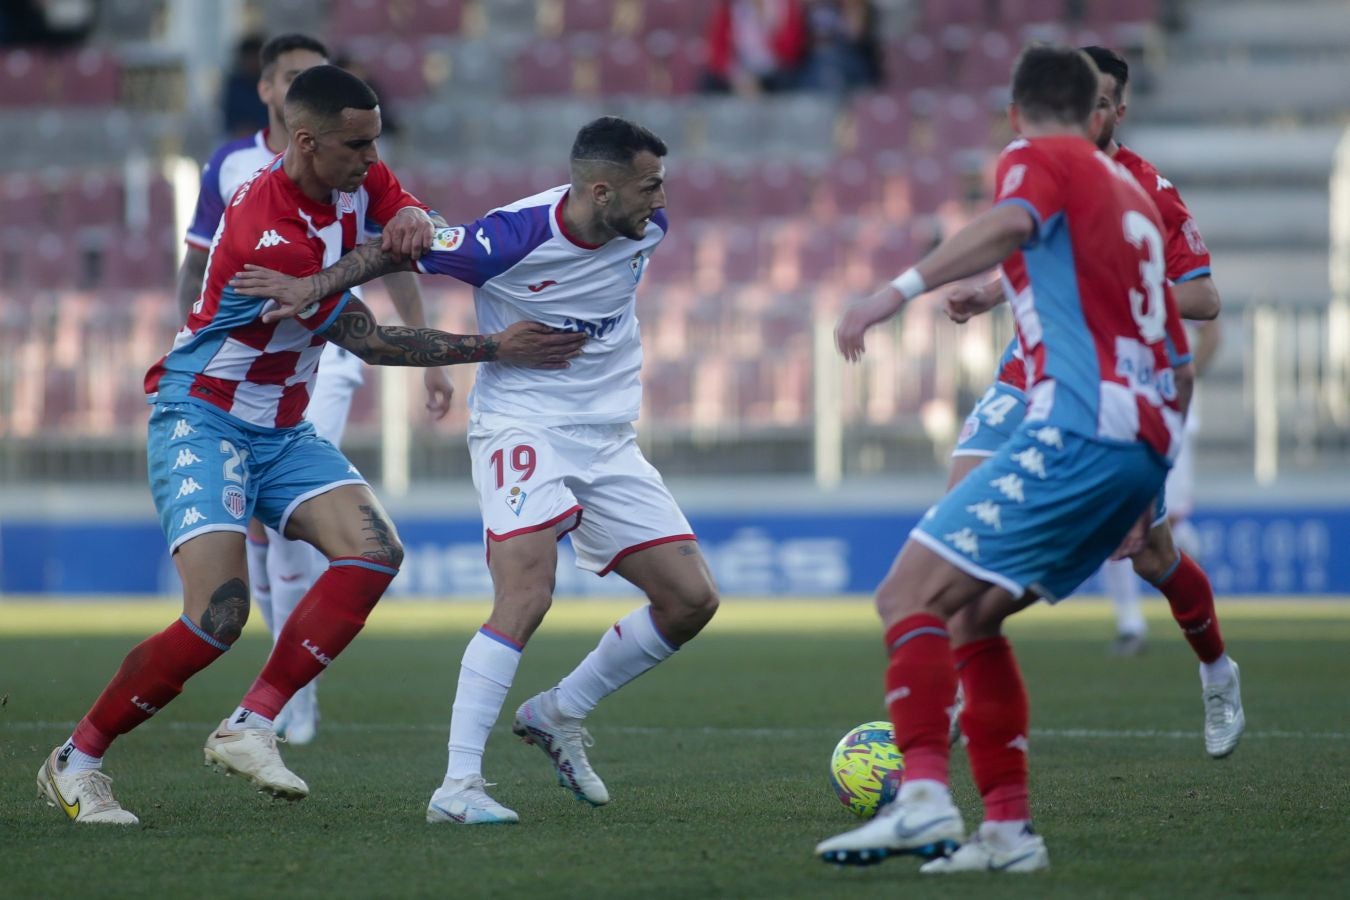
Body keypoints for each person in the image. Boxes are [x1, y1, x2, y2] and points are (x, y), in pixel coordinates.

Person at [36, 64, 587, 825]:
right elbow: (374, 342)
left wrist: (414, 214)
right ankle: (78, 758)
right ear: (306, 142)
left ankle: (252, 724)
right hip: (205, 413)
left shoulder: (356, 170)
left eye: (375, 144)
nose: (371, 160)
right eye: (356, 147)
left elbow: (402, 211)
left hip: (282, 426)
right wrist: (496, 347)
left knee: (374, 553)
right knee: (220, 614)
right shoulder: (273, 232)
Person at [230, 116, 721, 826]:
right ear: (602, 188)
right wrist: (316, 285)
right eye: (649, 186)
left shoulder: (645, 228)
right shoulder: (511, 238)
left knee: (692, 601)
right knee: (526, 593)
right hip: (522, 425)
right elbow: (397, 250)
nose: (661, 200)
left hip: (610, 438)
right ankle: (457, 787)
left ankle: (557, 712)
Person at [815, 44, 1194, 873]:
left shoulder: (1036, 157)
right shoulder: (1131, 194)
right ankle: (1010, 835)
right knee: (972, 617)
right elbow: (1179, 352)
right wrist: (1149, 481)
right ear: (1096, 109)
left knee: (904, 593)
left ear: (1016, 112)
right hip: (1138, 438)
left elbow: (1010, 223)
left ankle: (919, 801)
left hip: (1076, 431)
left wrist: (891, 294)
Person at [944, 45, 1242, 758]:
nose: (1087, 109)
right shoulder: (1034, 165)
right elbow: (1025, 251)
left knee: (1151, 556)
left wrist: (1116, 286)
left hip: (1112, 387)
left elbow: (1204, 296)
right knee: (957, 520)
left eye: (1102, 99)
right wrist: (988, 292)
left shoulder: (1149, 188)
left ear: (1117, 110)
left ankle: (1216, 667)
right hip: (1027, 373)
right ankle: (957, 702)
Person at [177, 32, 454, 745]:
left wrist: (428, 350)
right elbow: (200, 262)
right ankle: (281, 687)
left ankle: (288, 698)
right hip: (248, 356)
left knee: (299, 523)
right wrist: (188, 337)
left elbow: (396, 245)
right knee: (268, 536)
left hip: (327, 354)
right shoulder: (235, 169)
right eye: (298, 76)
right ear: (274, 93)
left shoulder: (355, 163)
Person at [701, 0, 810, 96]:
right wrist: (739, 77)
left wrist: (766, 22)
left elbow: (790, 52)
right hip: (741, 73)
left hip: (774, 72)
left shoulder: (786, 7)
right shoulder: (733, 7)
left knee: (788, 80)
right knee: (709, 81)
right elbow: (718, 50)